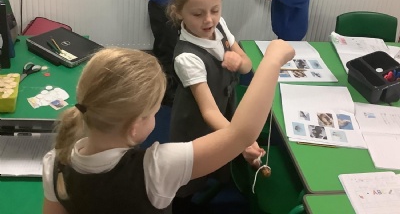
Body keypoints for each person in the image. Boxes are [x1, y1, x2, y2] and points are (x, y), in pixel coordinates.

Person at [42, 43, 295, 214]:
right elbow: (240, 134)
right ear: (134, 128)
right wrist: (272, 61)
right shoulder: (156, 168)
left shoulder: (54, 161)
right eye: (154, 112)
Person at [166, 0, 266, 209]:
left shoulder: (219, 26)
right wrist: (240, 140)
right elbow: (208, 111)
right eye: (198, 13)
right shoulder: (187, 57)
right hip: (196, 124)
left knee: (220, 158)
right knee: (191, 175)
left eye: (215, 10)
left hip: (224, 108)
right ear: (179, 12)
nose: (209, 20)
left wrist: (239, 62)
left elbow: (248, 66)